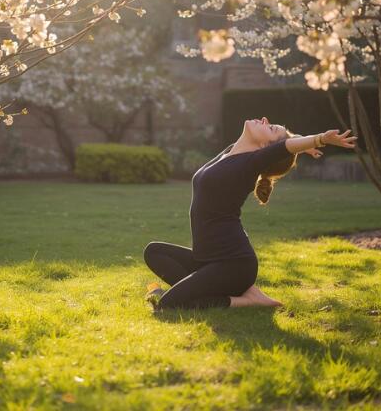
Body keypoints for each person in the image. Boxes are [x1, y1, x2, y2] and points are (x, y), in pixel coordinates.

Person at [143, 117, 357, 311]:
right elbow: (285, 146)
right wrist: (301, 145)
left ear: (265, 148)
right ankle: (233, 290)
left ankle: (245, 301)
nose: (264, 120)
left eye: (271, 127)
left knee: (167, 306)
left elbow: (282, 147)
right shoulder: (230, 153)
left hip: (234, 265)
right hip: (207, 260)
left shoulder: (250, 164)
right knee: (153, 252)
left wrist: (319, 139)